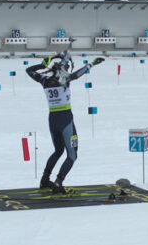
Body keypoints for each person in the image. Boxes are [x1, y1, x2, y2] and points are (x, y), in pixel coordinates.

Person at [26, 51, 104, 193]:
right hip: (65, 120)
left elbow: (29, 70)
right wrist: (92, 64)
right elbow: (78, 74)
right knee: (72, 155)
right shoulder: (64, 80)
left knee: (58, 151)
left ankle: (45, 179)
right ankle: (58, 181)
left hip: (53, 119)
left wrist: (44, 63)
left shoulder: (44, 80)